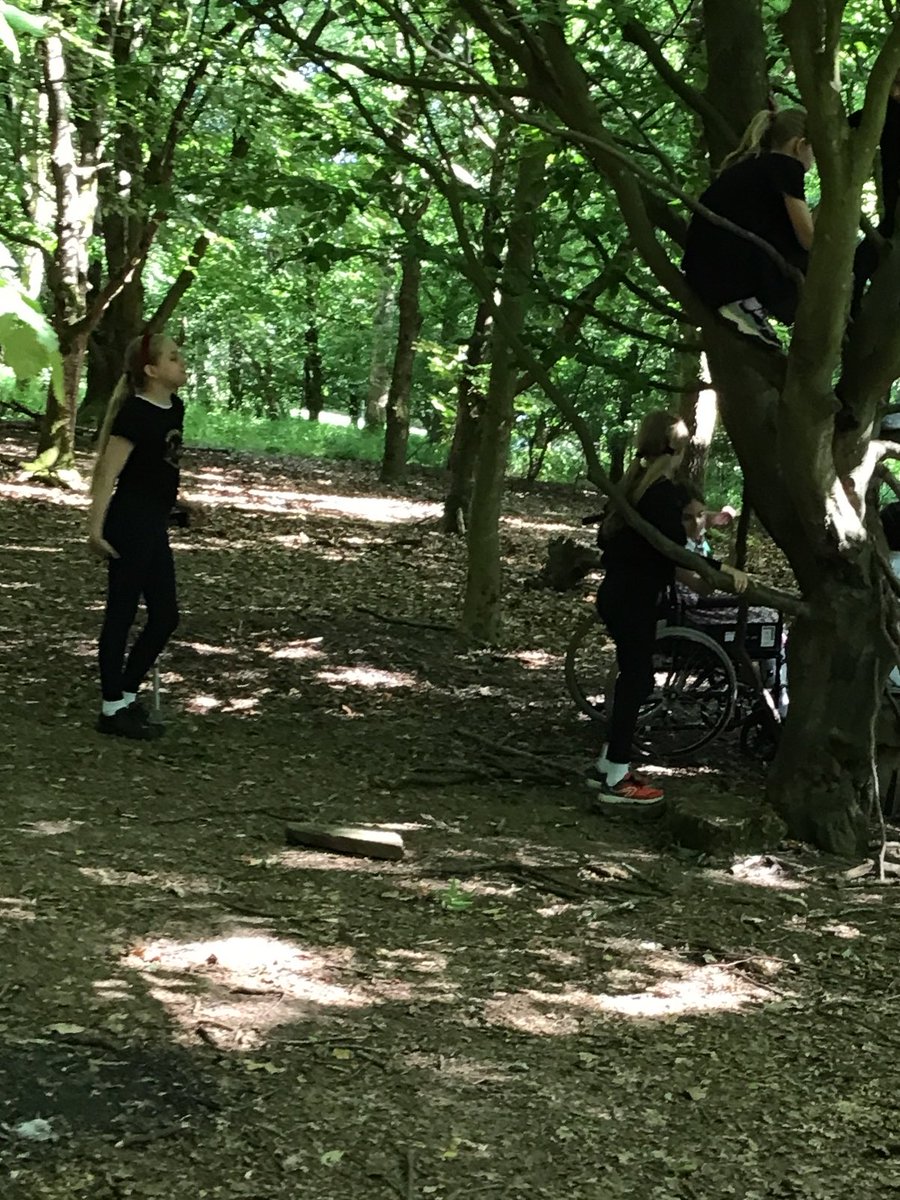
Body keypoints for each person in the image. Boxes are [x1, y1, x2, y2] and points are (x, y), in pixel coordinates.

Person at [589, 413, 749, 805]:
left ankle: (607, 766)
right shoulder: (658, 494)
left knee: (635, 678)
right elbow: (676, 551)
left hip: (622, 594)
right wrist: (721, 570)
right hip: (633, 599)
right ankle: (615, 778)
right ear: (675, 449)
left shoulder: (635, 487)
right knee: (638, 681)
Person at [88, 330, 187, 739]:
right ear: (151, 370)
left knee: (165, 616)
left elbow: (159, 467)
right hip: (129, 522)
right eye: (173, 357)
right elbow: (108, 473)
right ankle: (112, 709)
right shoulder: (135, 413)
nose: (181, 362)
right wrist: (93, 527)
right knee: (122, 614)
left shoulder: (174, 408)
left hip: (154, 520)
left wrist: (182, 502)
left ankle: (126, 695)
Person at [683, 108, 815, 347]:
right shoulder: (785, 167)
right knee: (815, 261)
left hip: (705, 270)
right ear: (799, 145)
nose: (814, 160)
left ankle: (747, 305)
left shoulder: (753, 168)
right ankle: (744, 304)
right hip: (729, 272)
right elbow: (809, 238)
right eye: (814, 151)